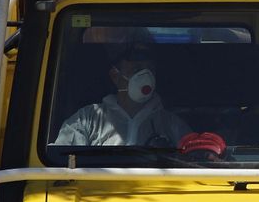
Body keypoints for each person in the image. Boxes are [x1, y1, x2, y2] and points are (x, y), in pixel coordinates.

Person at [53, 42, 192, 147]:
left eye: (149, 69)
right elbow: (62, 163)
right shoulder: (87, 119)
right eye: (136, 69)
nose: (145, 76)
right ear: (115, 76)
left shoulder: (171, 124)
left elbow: (193, 159)